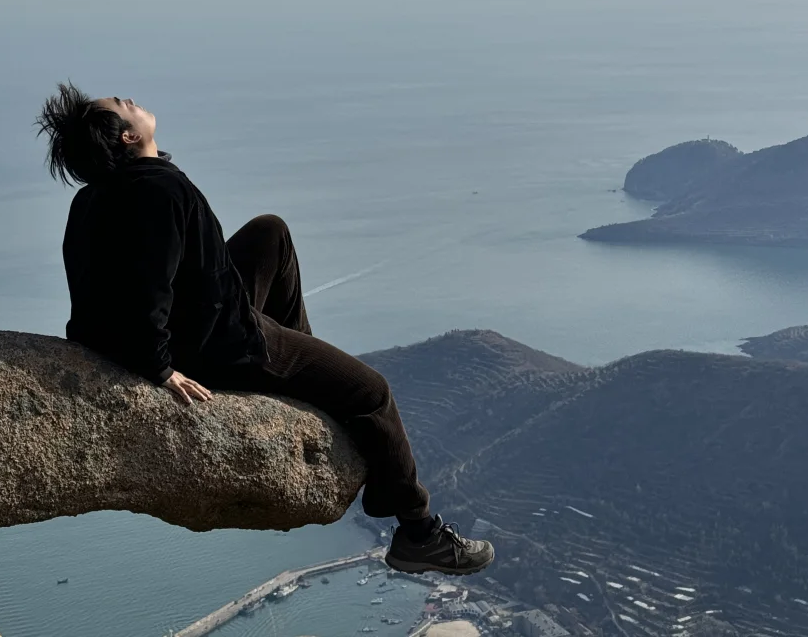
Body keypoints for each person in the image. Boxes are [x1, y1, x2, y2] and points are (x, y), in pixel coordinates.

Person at [36, 82, 494, 577]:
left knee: (268, 232)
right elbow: (150, 290)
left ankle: (307, 369)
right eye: (121, 105)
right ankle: (419, 534)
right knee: (372, 392)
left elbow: (91, 295)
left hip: (204, 315)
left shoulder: (92, 199)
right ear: (126, 137)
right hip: (224, 342)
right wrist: (161, 368)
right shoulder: (159, 190)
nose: (130, 99)